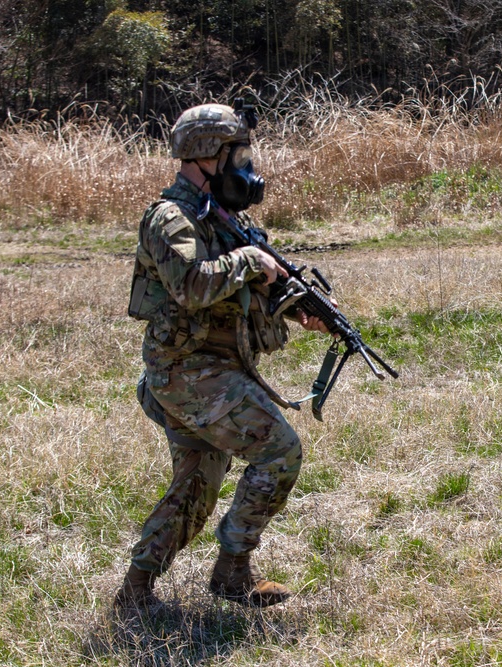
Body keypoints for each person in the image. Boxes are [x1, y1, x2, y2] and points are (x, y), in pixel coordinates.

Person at [115, 102, 330, 611]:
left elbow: (252, 287)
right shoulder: (170, 219)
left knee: (197, 487)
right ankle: (232, 569)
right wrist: (249, 259)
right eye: (237, 155)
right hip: (184, 372)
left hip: (214, 369)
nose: (245, 166)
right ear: (208, 154)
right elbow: (192, 286)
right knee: (278, 451)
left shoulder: (226, 218)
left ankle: (135, 592)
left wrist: (302, 309)